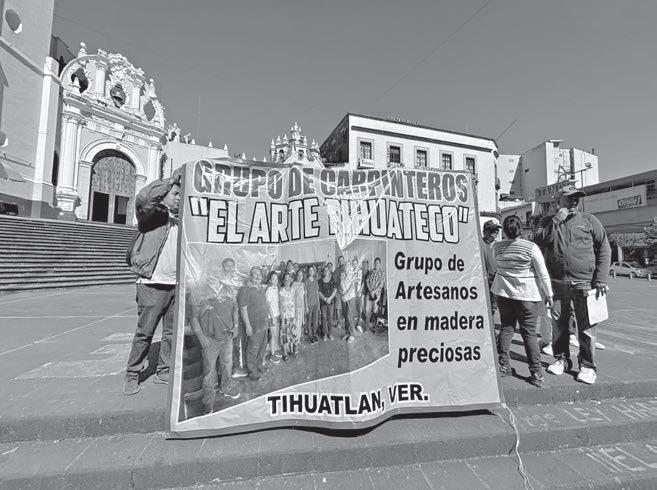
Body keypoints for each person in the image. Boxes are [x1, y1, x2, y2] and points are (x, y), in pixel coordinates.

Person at [534, 184, 611, 385]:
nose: (574, 201)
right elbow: (538, 240)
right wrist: (557, 221)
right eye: (569, 198)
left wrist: (601, 278)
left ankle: (587, 366)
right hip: (557, 282)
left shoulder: (589, 220)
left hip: (585, 282)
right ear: (558, 201)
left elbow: (604, 247)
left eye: (576, 198)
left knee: (586, 327)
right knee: (559, 325)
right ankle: (562, 359)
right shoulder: (548, 221)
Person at [123, 167, 182, 396]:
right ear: (164, 195)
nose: (178, 198)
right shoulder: (151, 217)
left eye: (180, 194)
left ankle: (163, 370)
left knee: (170, 334)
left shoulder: (182, 221)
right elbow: (144, 198)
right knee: (144, 333)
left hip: (176, 285)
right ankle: (132, 374)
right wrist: (170, 181)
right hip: (152, 285)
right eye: (175, 194)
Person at [492, 216, 553, 388]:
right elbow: (542, 273)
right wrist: (549, 294)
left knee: (506, 328)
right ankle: (536, 373)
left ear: (504, 230)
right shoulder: (531, 247)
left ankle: (504, 365)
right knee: (529, 334)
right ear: (520, 229)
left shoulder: (497, 247)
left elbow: (497, 267)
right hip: (527, 296)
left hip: (504, 294)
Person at [188, 261, 241, 414]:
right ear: (206, 272)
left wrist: (235, 326)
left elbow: (235, 310)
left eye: (218, 270)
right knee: (209, 372)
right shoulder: (198, 292)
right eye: (212, 270)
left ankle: (226, 387)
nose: (215, 273)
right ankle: (208, 400)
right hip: (209, 339)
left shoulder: (228, 289)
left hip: (227, 337)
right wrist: (201, 337)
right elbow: (193, 318)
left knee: (227, 365)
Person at [237, 267, 270, 381]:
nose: (258, 276)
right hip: (254, 325)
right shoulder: (244, 289)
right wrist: (248, 326)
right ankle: (252, 372)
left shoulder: (260, 288)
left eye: (259, 274)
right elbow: (243, 309)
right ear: (250, 276)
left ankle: (259, 366)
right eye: (255, 274)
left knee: (262, 347)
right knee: (253, 349)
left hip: (264, 324)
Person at [481, 220, 501, 317]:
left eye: (497, 229)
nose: (496, 231)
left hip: (496, 284)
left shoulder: (499, 245)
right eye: (493, 229)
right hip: (484, 284)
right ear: (485, 231)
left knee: (494, 309)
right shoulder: (479, 244)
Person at [279, 272, 297, 360]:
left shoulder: (293, 290)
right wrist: (282, 320)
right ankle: (285, 353)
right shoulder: (281, 290)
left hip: (292, 316)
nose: (287, 281)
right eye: (285, 279)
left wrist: (295, 316)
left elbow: (294, 303)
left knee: (292, 334)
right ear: (283, 281)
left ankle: (292, 350)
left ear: (291, 280)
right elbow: (281, 305)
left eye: (289, 279)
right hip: (285, 317)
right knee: (284, 335)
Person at [341, 258, 359, 342]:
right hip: (344, 298)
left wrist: (346, 294)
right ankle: (347, 333)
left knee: (349, 316)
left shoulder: (353, 274)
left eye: (348, 265)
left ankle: (351, 335)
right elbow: (341, 286)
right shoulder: (342, 274)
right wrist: (342, 295)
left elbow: (352, 286)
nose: (347, 267)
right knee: (345, 316)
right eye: (346, 265)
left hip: (350, 297)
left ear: (350, 266)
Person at [265, 272, 281, 365]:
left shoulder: (276, 288)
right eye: (273, 278)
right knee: (273, 336)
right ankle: (272, 354)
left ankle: (274, 350)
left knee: (276, 334)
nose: (275, 280)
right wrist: (273, 317)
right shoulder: (269, 290)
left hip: (277, 314)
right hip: (272, 316)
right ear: (270, 280)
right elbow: (268, 305)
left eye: (276, 278)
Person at [365, 257, 385, 330]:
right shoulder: (371, 271)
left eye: (378, 263)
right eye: (375, 262)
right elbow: (367, 281)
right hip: (369, 293)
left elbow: (381, 284)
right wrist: (370, 291)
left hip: (377, 294)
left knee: (375, 310)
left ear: (380, 264)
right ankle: (367, 326)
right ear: (374, 263)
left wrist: (374, 291)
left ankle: (373, 326)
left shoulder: (382, 273)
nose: (376, 264)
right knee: (367, 310)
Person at [318, 265, 336, 340]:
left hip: (331, 302)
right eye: (324, 270)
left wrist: (330, 298)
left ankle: (330, 334)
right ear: (323, 272)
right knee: (324, 318)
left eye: (327, 270)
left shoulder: (332, 280)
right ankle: (324, 334)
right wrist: (325, 299)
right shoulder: (319, 281)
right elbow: (319, 292)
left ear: (329, 271)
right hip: (323, 302)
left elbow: (335, 290)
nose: (326, 271)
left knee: (330, 318)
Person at [305, 265, 321, 343]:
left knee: (315, 319)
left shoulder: (315, 280)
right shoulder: (306, 281)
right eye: (310, 270)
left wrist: (318, 304)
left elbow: (317, 293)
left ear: (314, 272)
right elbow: (305, 294)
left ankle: (314, 333)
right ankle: (310, 334)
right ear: (308, 272)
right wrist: (306, 306)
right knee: (309, 319)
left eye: (312, 270)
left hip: (315, 304)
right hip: (309, 304)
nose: (311, 272)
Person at [292, 269, 307, 348]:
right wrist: (293, 308)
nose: (300, 276)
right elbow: (291, 296)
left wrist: (306, 306)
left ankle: (298, 341)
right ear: (296, 276)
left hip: (302, 307)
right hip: (296, 307)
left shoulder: (303, 284)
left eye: (301, 275)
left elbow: (304, 297)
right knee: (296, 324)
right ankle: (295, 342)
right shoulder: (294, 284)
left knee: (300, 324)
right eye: (298, 275)